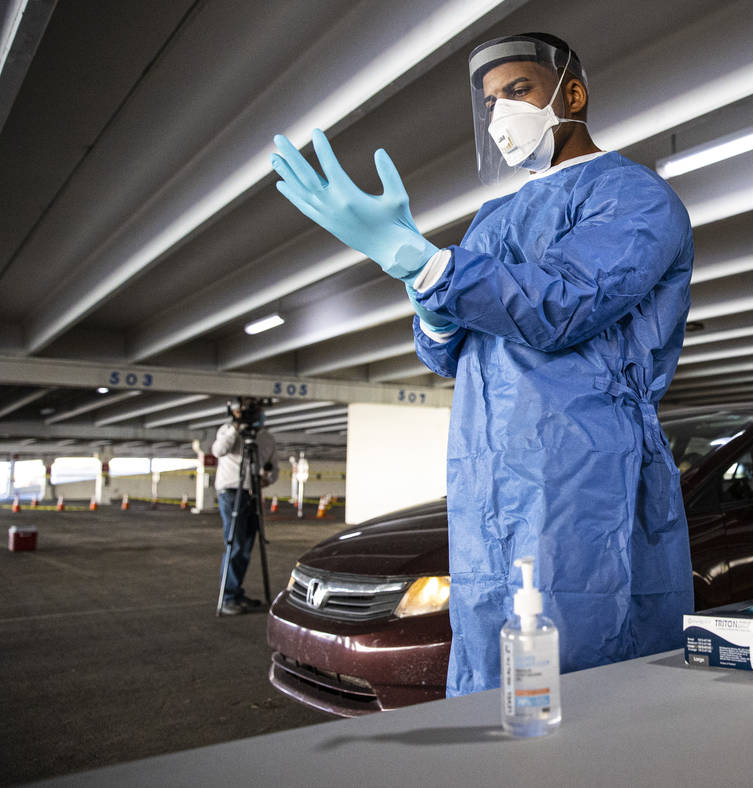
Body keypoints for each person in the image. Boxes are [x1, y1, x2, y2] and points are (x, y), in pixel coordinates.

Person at [270, 32, 694, 695]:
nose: (500, 116)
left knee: (580, 659)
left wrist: (424, 262)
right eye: (490, 102)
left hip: (584, 469)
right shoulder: (493, 218)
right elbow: (445, 352)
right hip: (484, 471)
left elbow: (563, 308)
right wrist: (430, 301)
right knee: (486, 659)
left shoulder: (634, 198)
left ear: (571, 95)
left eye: (517, 92)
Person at [211, 402, 278, 616]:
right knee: (236, 545)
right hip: (232, 492)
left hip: (253, 492)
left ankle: (236, 593)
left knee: (247, 546)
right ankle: (228, 598)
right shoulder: (227, 430)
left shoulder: (267, 438)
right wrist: (236, 427)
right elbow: (218, 450)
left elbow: (273, 468)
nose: (255, 416)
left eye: (257, 412)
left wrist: (267, 478)